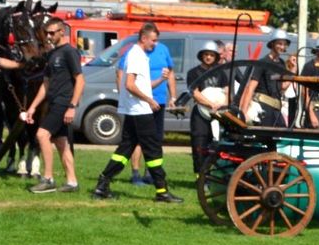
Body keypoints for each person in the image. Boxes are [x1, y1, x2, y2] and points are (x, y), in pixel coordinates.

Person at [91, 23, 183, 203]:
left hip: (136, 109)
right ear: (144, 38)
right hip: (140, 110)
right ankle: (162, 191)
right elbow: (130, 85)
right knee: (153, 149)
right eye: (153, 41)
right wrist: (149, 101)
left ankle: (102, 184)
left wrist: (161, 80)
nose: (155, 44)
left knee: (125, 148)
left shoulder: (139, 55)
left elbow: (142, 86)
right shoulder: (135, 55)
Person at [21, 18, 84, 193]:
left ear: (62, 32)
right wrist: (33, 107)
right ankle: (72, 182)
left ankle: (48, 179)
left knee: (42, 135)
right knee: (61, 141)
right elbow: (46, 83)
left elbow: (80, 80)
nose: (48, 36)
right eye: (46, 33)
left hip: (63, 102)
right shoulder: (52, 54)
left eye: (52, 33)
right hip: (54, 101)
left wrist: (72, 106)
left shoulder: (69, 52)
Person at [185, 40, 225, 175]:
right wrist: (210, 104)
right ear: (202, 55)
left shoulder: (221, 72)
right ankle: (200, 177)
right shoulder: (193, 73)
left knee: (216, 145)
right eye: (206, 54)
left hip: (218, 113)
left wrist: (222, 104)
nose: (208, 57)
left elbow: (227, 90)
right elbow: (194, 92)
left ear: (216, 57)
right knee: (199, 146)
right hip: (200, 114)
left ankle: (212, 175)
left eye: (212, 55)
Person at [240, 29, 292, 127]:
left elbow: (283, 87)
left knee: (282, 132)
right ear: (272, 44)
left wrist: (293, 70)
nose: (282, 47)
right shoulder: (263, 62)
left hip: (276, 109)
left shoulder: (281, 63)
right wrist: (244, 112)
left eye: (284, 44)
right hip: (263, 107)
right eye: (279, 44)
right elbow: (251, 87)